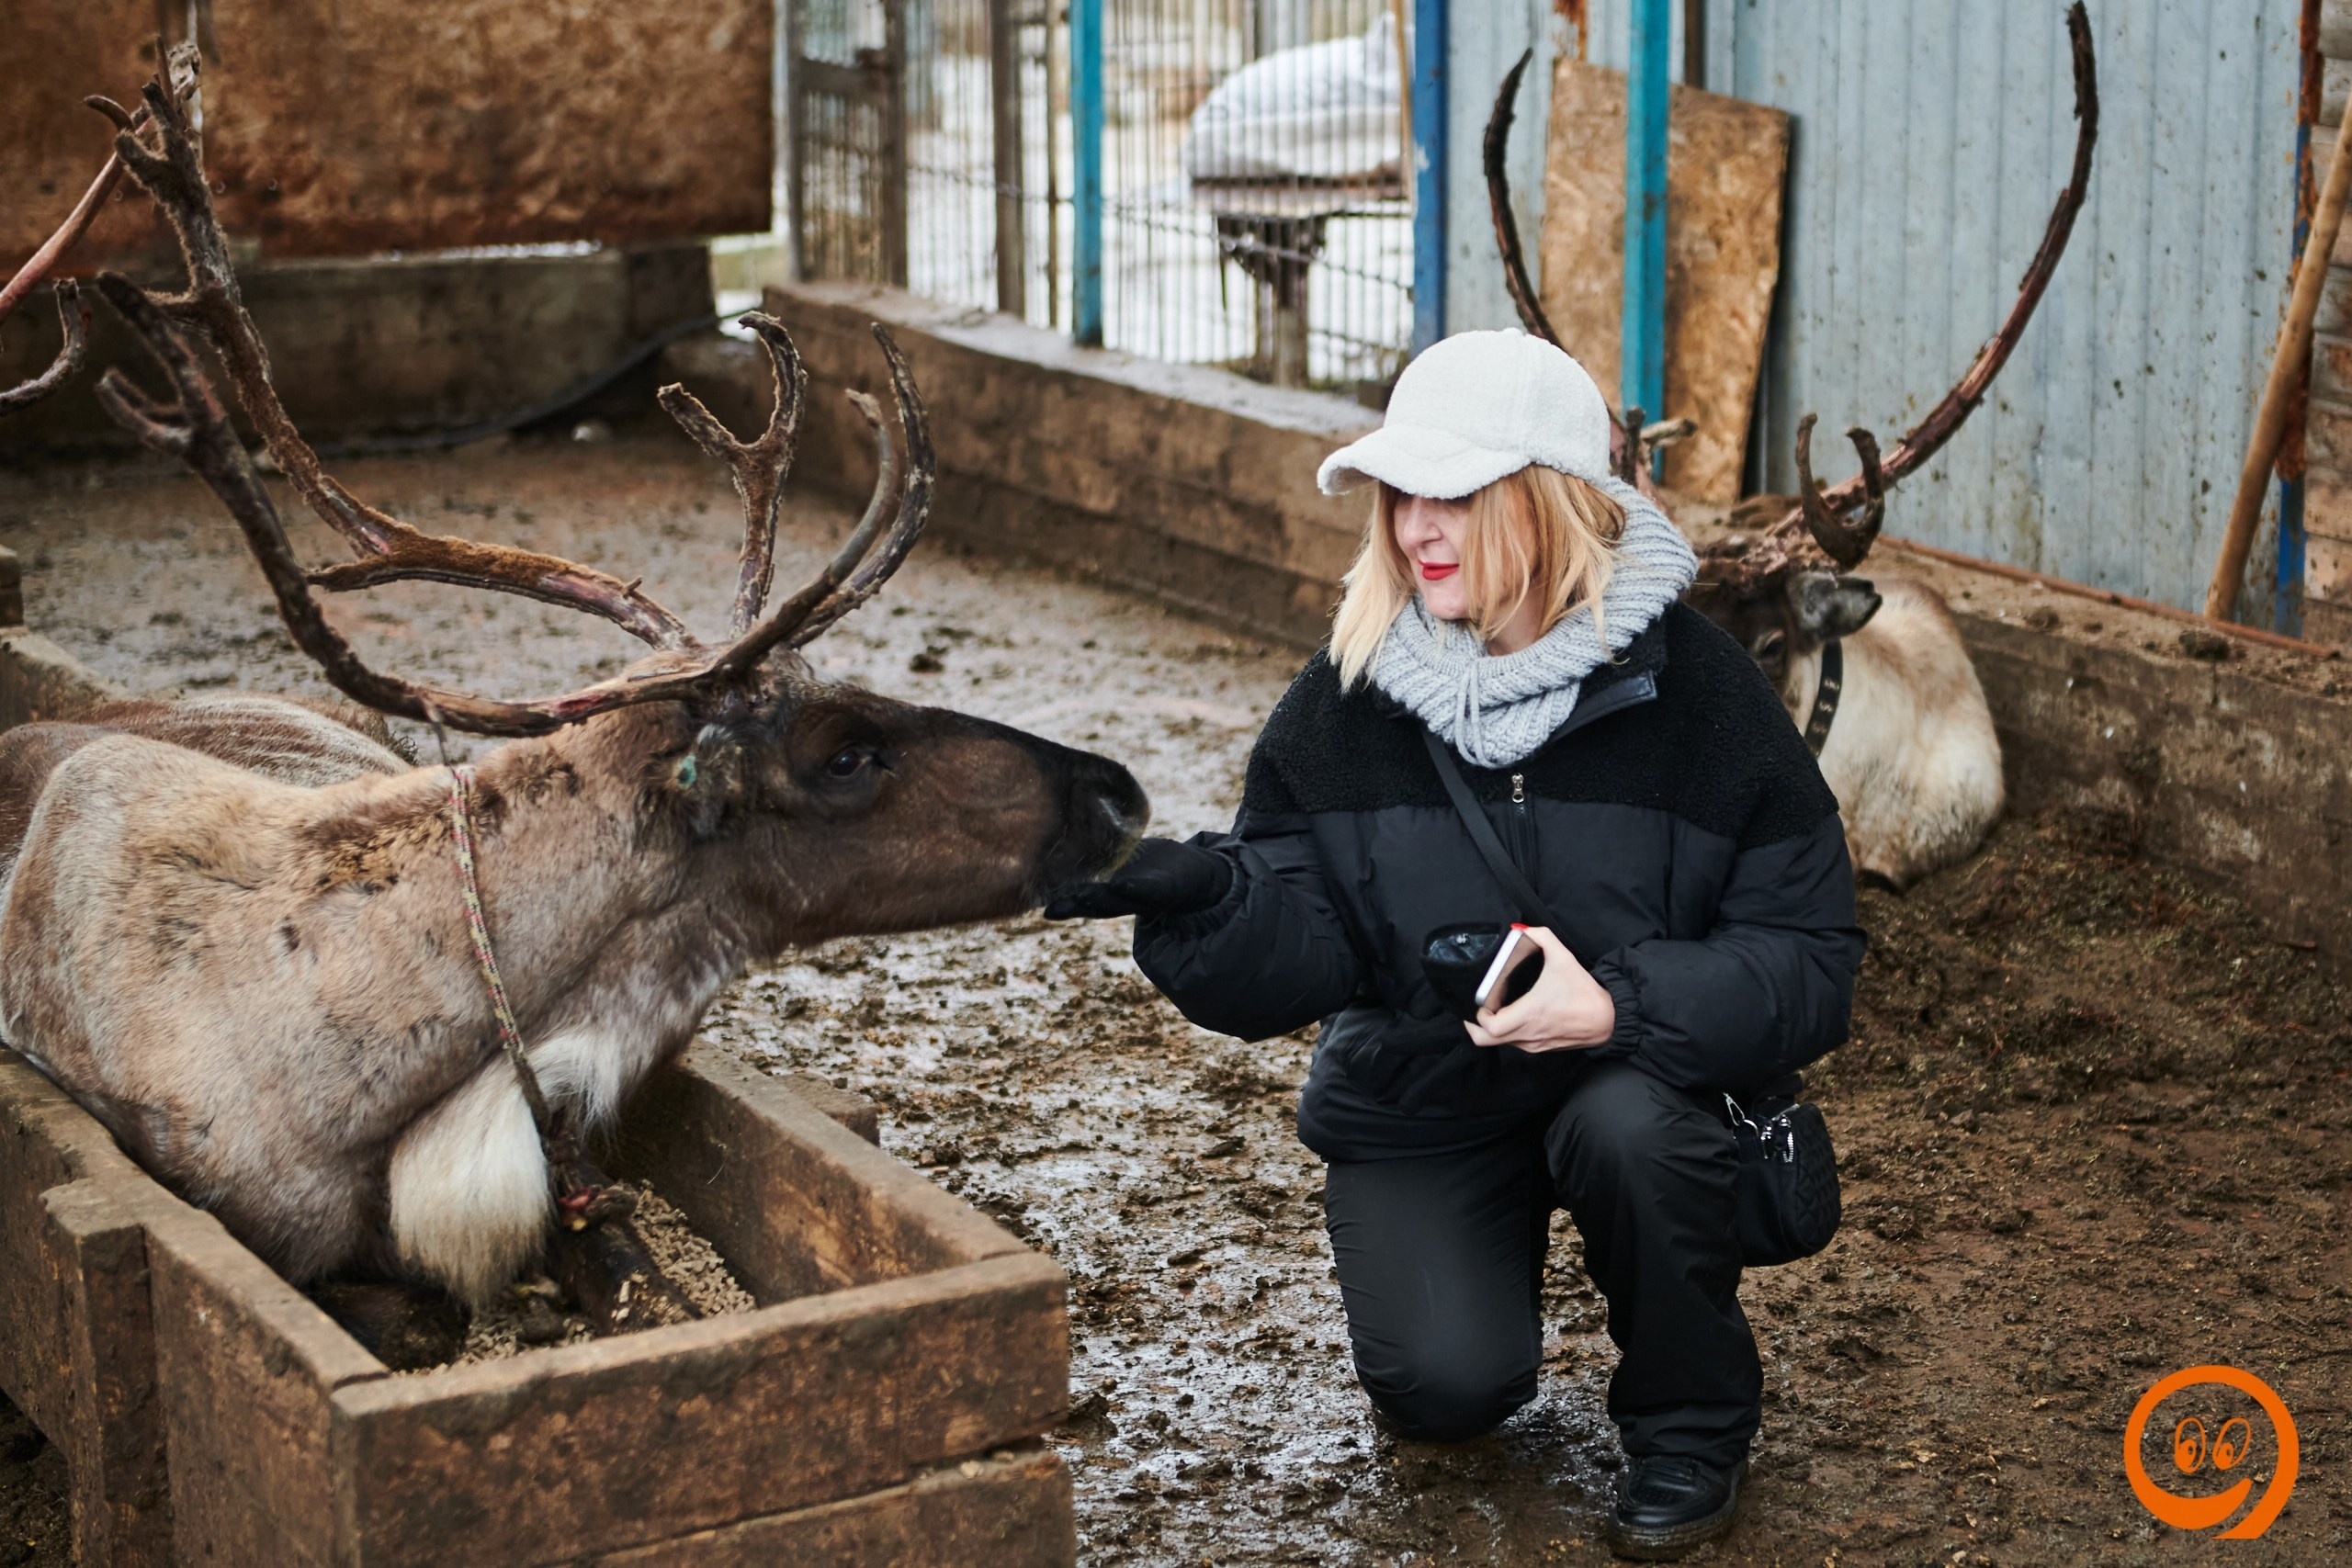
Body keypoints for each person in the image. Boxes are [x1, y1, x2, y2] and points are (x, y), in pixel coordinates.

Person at [1046, 329, 1865, 1561]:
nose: (1414, 525)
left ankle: (1692, 1429)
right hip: (1427, 1095)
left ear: (1546, 499)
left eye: (1455, 494)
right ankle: (1480, 1305)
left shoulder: (1702, 697)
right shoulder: (1350, 694)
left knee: (1631, 1127)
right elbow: (1306, 932)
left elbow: (1811, 960)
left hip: (1628, 1086)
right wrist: (1200, 896)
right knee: (1445, 1394)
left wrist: (1618, 1008)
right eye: (1399, 492)